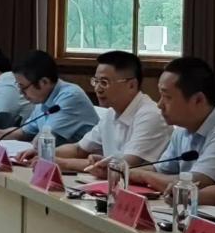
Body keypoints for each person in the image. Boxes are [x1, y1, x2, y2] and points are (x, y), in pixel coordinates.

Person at [23, 52, 172, 173]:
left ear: (131, 85)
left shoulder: (151, 115)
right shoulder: (111, 113)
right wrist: (44, 153)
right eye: (96, 81)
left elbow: (123, 166)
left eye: (104, 83)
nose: (98, 89)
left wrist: (61, 163)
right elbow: (79, 149)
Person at [128, 56, 215, 192]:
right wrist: (123, 170)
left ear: (198, 100)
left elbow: (196, 184)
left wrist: (142, 175)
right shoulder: (183, 126)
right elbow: (160, 170)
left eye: (167, 97)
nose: (159, 105)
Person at [0, 50, 99, 147]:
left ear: (44, 82)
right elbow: (23, 132)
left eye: (23, 87)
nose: (21, 92)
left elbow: (42, 141)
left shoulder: (70, 97)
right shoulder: (42, 99)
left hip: (85, 159)